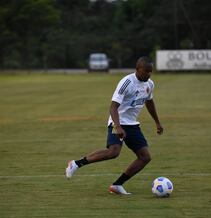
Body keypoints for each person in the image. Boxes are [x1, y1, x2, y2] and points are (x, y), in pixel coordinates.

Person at [65, 56, 163, 195]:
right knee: (113, 152)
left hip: (132, 124)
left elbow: (149, 102)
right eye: (145, 71)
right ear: (137, 69)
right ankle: (76, 164)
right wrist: (117, 126)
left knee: (145, 157)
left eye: (150, 72)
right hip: (117, 121)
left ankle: (117, 185)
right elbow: (113, 107)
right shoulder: (127, 82)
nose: (148, 74)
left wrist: (157, 122)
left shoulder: (149, 84)